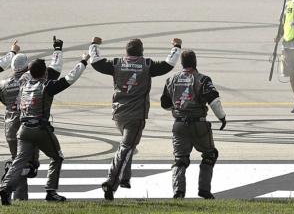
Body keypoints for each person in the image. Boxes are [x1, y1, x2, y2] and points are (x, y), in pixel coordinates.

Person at [88, 37, 182, 200]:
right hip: (136, 116)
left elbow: (95, 62)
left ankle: (125, 177)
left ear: (126, 51)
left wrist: (94, 44)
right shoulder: (147, 65)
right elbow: (169, 64)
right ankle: (111, 182)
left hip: (118, 114)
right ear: (142, 51)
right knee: (126, 147)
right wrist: (177, 46)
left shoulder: (116, 63)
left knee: (128, 144)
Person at [0, 38, 90, 206]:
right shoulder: (44, 85)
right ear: (43, 72)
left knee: (19, 160)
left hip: (18, 129)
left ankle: (5, 188)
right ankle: (51, 191)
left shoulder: (20, 85)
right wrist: (83, 61)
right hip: (39, 128)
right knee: (57, 157)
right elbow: (68, 77)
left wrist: (12, 52)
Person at [160, 50, 226, 199]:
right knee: (210, 154)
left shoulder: (171, 80)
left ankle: (178, 192)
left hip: (179, 125)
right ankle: (204, 190)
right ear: (195, 62)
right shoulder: (203, 79)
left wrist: (178, 108)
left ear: (182, 63)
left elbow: (164, 104)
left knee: (180, 160)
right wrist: (222, 118)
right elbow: (214, 101)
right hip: (199, 124)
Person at [0, 40, 39, 201]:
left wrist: (12, 52)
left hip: (9, 126)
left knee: (19, 161)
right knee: (29, 166)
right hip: (25, 126)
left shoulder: (3, 84)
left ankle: (19, 198)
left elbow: (3, 99)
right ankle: (8, 179)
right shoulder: (29, 80)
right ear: (26, 67)